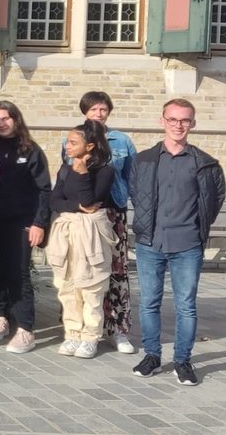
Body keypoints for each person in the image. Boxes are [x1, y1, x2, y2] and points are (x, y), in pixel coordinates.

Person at [130, 99, 225, 386]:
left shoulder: (206, 164)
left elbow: (215, 198)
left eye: (184, 120)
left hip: (187, 244)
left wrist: (197, 229)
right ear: (162, 121)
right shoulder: (144, 160)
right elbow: (136, 192)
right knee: (149, 303)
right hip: (150, 243)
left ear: (193, 124)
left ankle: (183, 361)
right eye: (172, 119)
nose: (178, 125)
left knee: (186, 306)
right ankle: (152, 356)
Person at [64, 91, 138, 355]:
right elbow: (67, 176)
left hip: (113, 212)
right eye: (93, 109)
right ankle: (81, 330)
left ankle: (118, 329)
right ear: (85, 112)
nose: (98, 113)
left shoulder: (121, 140)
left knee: (116, 271)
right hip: (83, 215)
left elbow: (132, 176)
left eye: (103, 109)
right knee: (83, 273)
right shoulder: (72, 139)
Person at [0, 101, 51, 354]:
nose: (1, 124)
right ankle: (0, 316)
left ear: (16, 119)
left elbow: (44, 190)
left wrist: (39, 223)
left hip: (22, 221)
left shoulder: (30, 150)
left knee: (18, 272)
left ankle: (25, 328)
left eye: (5, 118)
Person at [45, 120, 115, 360]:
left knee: (91, 288)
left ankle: (90, 336)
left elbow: (90, 201)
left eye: (73, 142)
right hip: (67, 233)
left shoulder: (105, 171)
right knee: (67, 287)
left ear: (90, 146)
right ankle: (73, 333)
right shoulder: (65, 170)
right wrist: (75, 206)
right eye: (67, 141)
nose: (67, 146)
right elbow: (55, 201)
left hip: (91, 234)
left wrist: (83, 172)